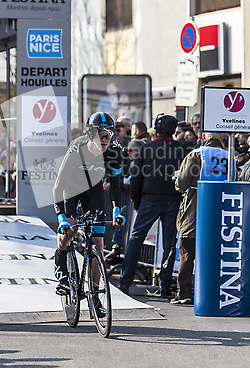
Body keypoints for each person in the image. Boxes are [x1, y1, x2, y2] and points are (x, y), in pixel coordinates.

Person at [52, 112, 125, 315]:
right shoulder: (77, 149)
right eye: (100, 134)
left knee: (99, 247)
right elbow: (58, 187)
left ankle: (94, 296)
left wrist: (117, 210)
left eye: (109, 134)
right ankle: (62, 271)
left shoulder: (115, 152)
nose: (105, 139)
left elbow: (117, 185)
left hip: (94, 193)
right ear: (90, 134)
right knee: (69, 232)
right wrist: (61, 217)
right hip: (71, 189)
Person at [119, 114, 187, 297]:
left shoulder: (147, 149)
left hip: (150, 199)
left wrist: (136, 201)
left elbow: (136, 177)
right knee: (169, 243)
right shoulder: (181, 149)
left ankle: (125, 282)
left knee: (135, 239)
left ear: (157, 128)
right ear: (173, 130)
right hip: (173, 199)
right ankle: (165, 285)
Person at [172, 132, 229, 305]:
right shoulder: (229, 156)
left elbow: (181, 184)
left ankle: (185, 293)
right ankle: (212, 291)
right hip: (222, 209)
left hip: (195, 208)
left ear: (204, 136)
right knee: (215, 253)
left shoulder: (196, 154)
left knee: (187, 253)